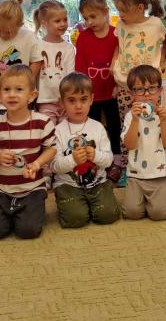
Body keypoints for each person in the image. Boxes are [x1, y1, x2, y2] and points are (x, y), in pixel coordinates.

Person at [0, 64, 56, 240]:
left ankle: (27, 212)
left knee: (28, 231)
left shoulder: (43, 122)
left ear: (32, 96)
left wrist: (37, 164)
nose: (12, 94)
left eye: (19, 89)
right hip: (1, 189)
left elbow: (51, 148)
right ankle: (11, 214)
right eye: (6, 89)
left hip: (32, 189)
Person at [51, 73, 120, 228]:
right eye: (71, 100)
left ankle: (89, 203)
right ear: (62, 102)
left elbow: (108, 160)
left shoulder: (98, 127)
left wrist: (95, 155)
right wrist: (73, 160)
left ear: (91, 99)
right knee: (76, 219)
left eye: (83, 99)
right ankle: (75, 204)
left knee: (108, 215)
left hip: (97, 183)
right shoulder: (58, 131)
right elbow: (54, 166)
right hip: (68, 185)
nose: (78, 106)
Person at [121, 65, 166, 221]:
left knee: (159, 214)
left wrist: (164, 120)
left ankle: (165, 193)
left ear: (160, 91)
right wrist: (135, 120)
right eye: (139, 90)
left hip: (161, 175)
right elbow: (130, 145)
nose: (146, 94)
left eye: (152, 88)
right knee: (132, 213)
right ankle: (146, 199)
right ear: (132, 94)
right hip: (136, 176)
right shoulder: (130, 116)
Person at [112, 0, 166, 131]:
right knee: (128, 124)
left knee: (152, 123)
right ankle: (130, 147)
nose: (120, 15)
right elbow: (118, 45)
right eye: (118, 10)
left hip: (150, 86)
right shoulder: (121, 24)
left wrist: (162, 62)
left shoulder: (156, 24)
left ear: (140, 8)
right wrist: (113, 64)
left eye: (123, 11)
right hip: (125, 84)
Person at [0, 0, 43, 112]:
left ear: (20, 25)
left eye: (8, 32)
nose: (3, 35)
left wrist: (28, 80)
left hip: (24, 96)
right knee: (0, 123)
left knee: (26, 123)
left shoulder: (29, 37)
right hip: (1, 99)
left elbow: (37, 61)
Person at [74, 0, 120, 153]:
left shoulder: (117, 34)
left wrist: (118, 85)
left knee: (115, 125)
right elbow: (79, 66)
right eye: (85, 18)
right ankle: (94, 155)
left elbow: (121, 63)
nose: (89, 22)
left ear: (105, 11)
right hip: (90, 94)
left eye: (93, 16)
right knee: (92, 127)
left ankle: (116, 156)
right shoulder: (83, 37)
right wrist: (84, 91)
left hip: (112, 93)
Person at [33, 0, 75, 124]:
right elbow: (33, 74)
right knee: (47, 132)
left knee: (65, 132)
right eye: (57, 21)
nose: (63, 24)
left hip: (65, 101)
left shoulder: (69, 48)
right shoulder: (37, 46)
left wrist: (67, 97)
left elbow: (70, 76)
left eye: (65, 19)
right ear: (44, 23)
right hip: (45, 101)